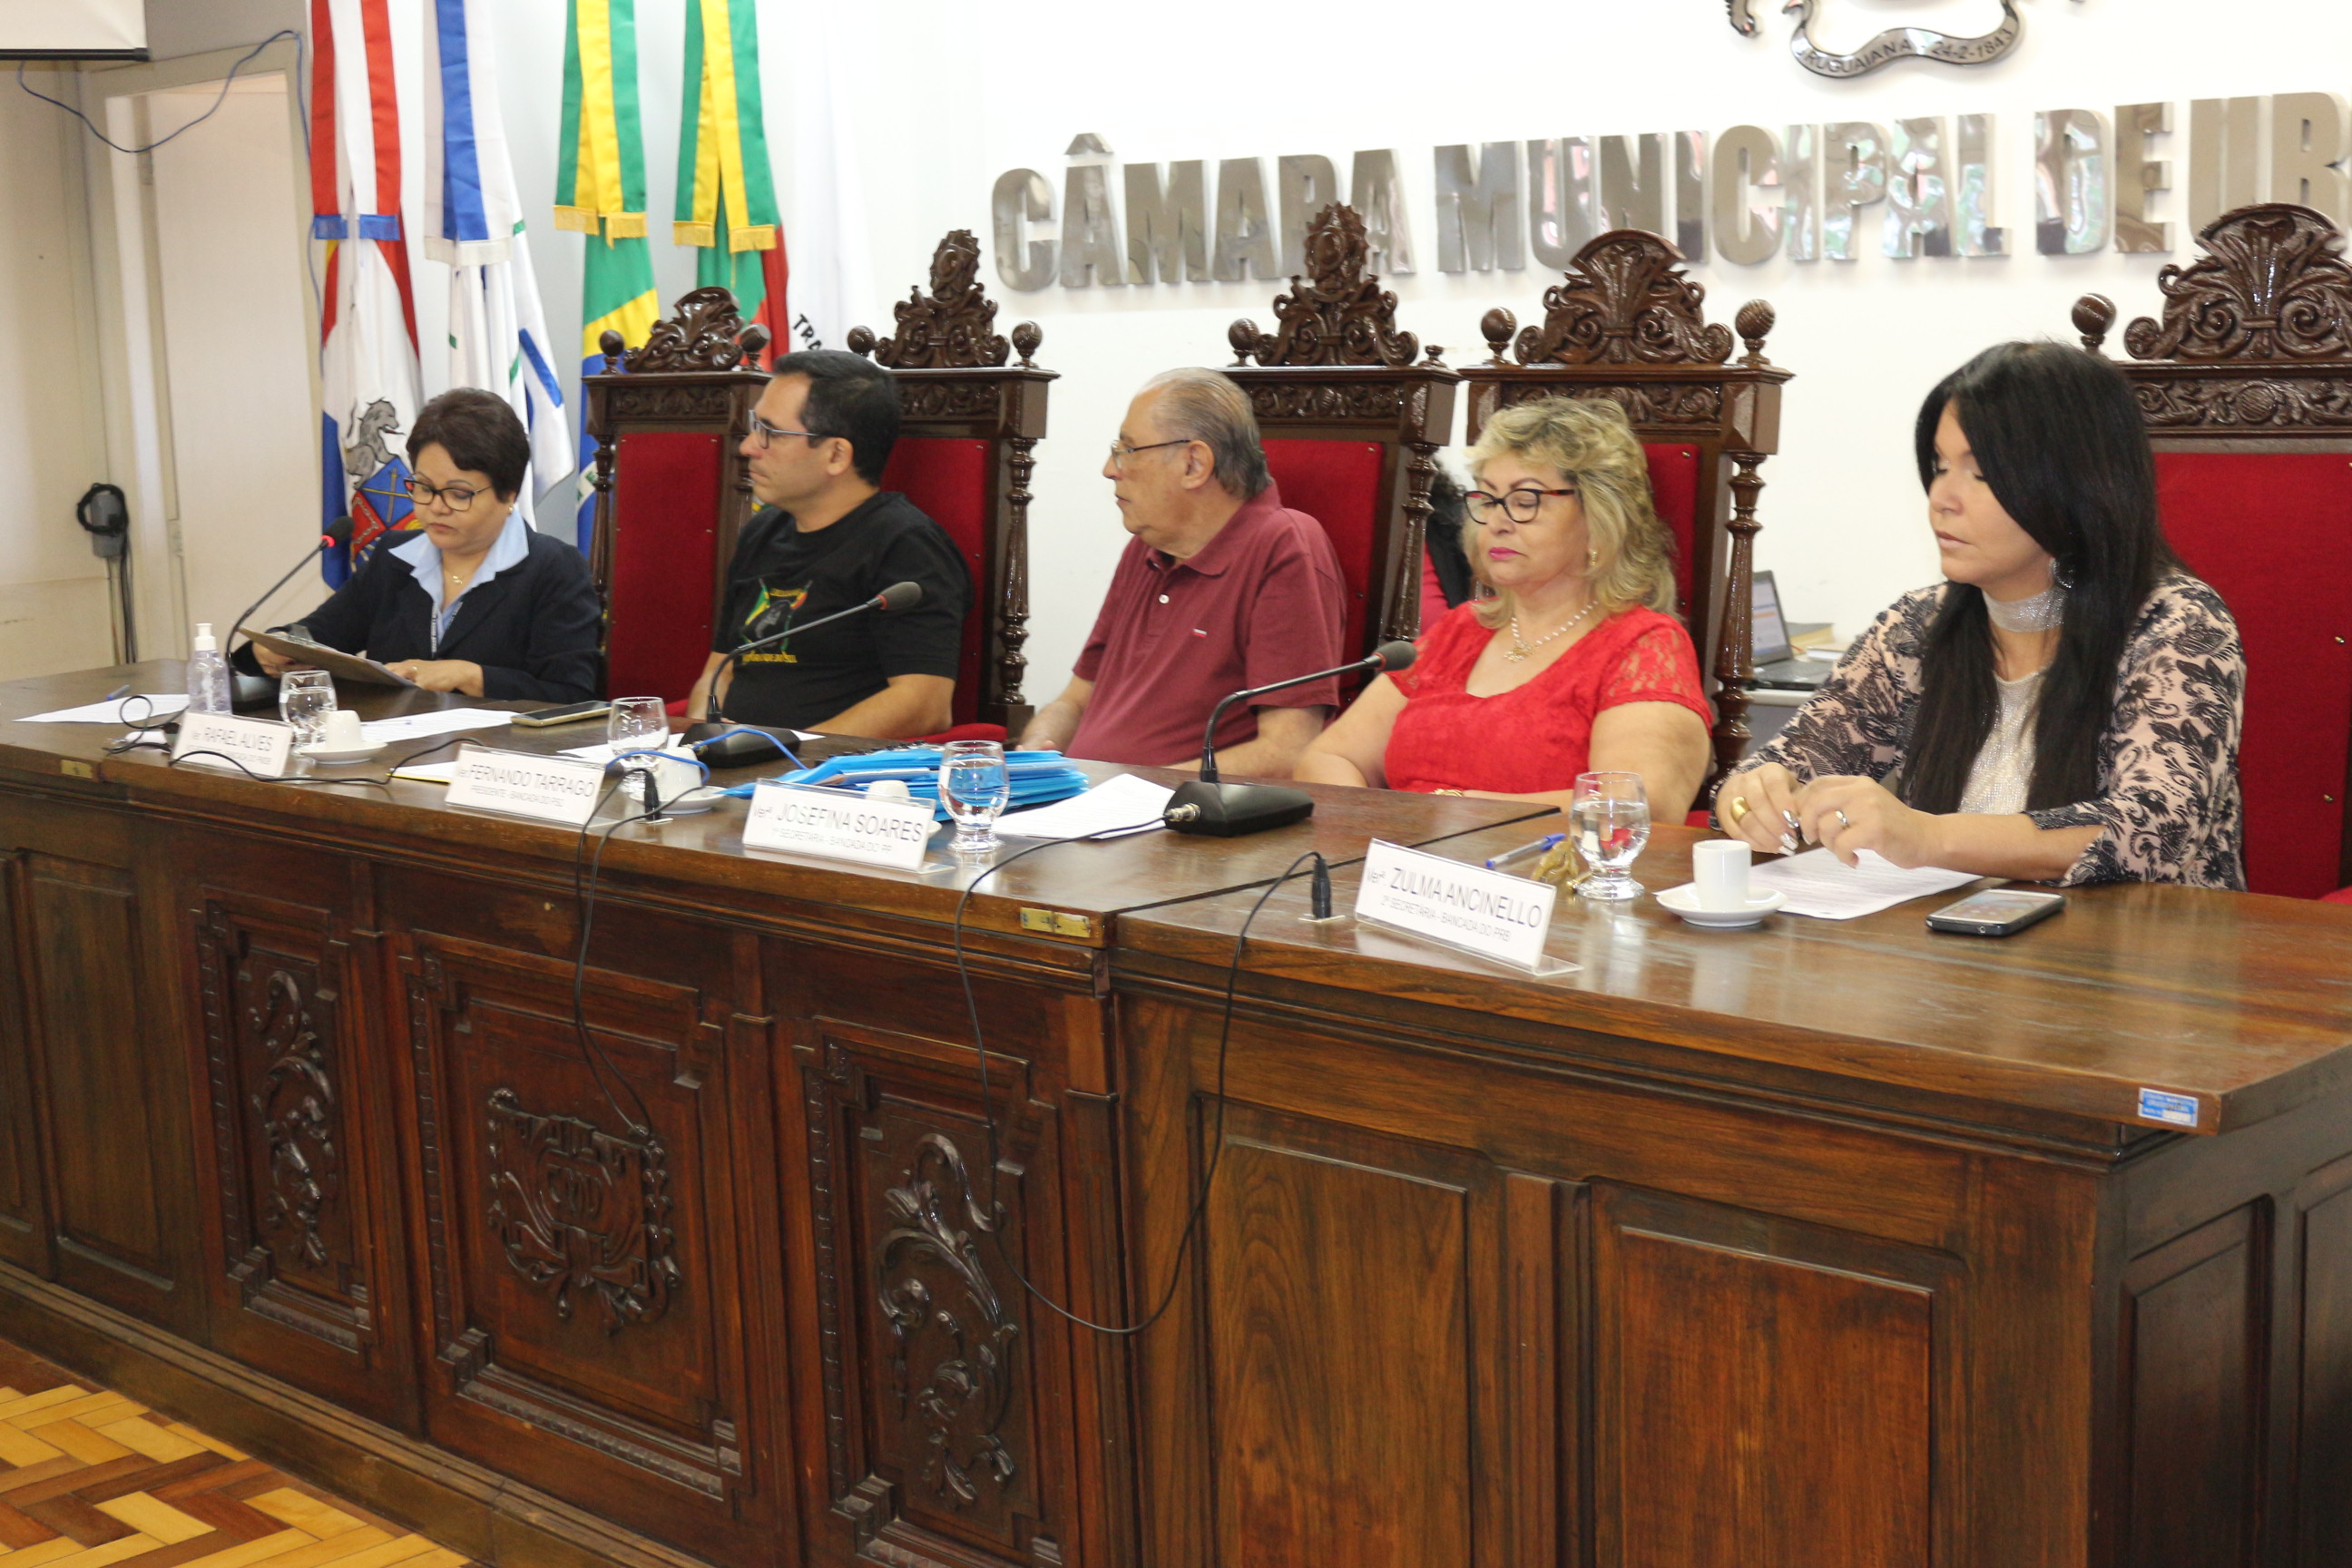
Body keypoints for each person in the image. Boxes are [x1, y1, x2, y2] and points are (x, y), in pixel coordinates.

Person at [1717, 341, 2244, 887]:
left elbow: (2152, 833)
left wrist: (1928, 837)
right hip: (1947, 935)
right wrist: (1753, 796)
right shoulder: (1916, 628)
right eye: (1939, 466)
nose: (1942, 498)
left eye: (1981, 473)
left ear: (2076, 485)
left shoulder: (2180, 625)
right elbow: (1781, 766)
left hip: (2136, 939)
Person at [1293, 396, 1714, 817]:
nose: (1497, 522)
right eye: (1489, 499)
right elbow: (1327, 759)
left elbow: (1632, 806)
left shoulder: (1643, 645)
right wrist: (1379, 828)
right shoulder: (1460, 630)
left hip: (1541, 860)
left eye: (1525, 501)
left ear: (1600, 517)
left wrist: (1443, 816)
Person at [1018, 368, 1347, 771]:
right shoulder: (1147, 547)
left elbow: (1286, 753)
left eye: (1128, 450)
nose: (1109, 469)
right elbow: (1074, 702)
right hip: (1086, 797)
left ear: (1194, 463)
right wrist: (1030, 757)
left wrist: (1124, 790)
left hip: (1171, 808)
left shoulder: (1284, 547)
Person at [240, 388, 599, 701]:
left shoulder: (553, 568)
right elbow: (317, 638)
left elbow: (573, 694)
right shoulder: (395, 557)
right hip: (393, 750)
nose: (436, 507)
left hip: (496, 755)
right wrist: (271, 648)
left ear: (509, 494)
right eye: (424, 488)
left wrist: (471, 676)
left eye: (459, 494)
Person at [686, 350, 970, 737]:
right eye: (755, 426)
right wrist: (706, 737)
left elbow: (924, 705)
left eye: (771, 432)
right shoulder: (761, 532)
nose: (748, 446)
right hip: (738, 759)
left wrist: (793, 755)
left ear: (836, 455)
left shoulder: (907, 547)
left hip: (829, 767)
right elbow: (720, 671)